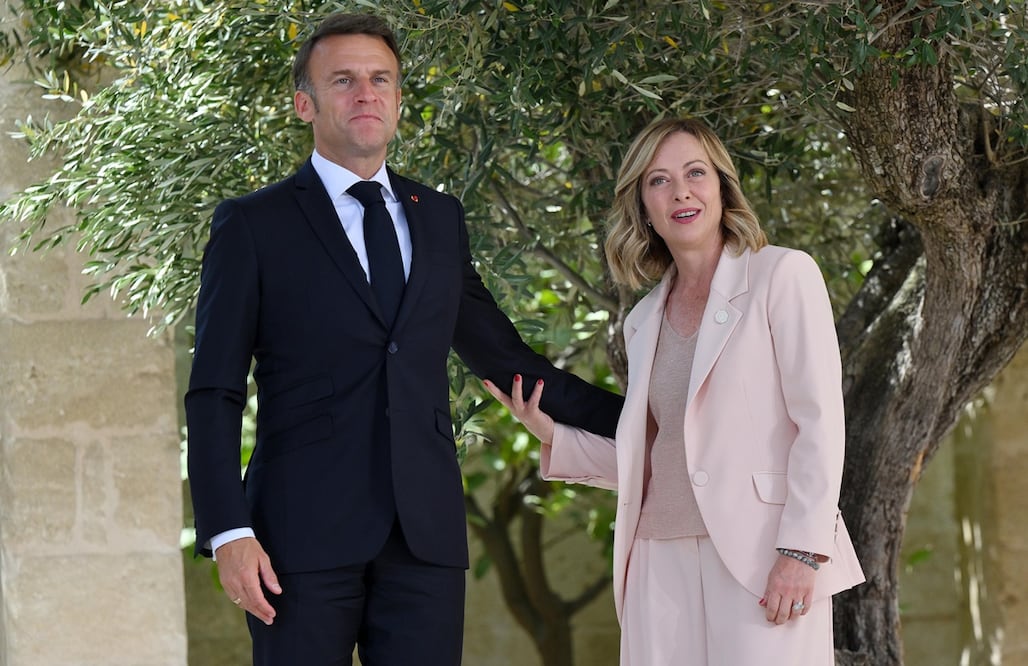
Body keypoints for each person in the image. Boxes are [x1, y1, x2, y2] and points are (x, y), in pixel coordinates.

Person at [184, 12, 623, 665]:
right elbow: (214, 390)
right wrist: (227, 531)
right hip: (295, 542)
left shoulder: (440, 219)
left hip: (424, 540)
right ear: (305, 103)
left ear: (396, 100)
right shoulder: (253, 225)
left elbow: (505, 360)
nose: (366, 93)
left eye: (380, 79)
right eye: (344, 80)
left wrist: (646, 420)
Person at [484, 117, 865, 664]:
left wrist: (803, 551)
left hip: (760, 558)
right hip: (656, 563)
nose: (681, 191)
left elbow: (822, 423)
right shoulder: (642, 321)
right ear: (643, 205)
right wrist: (554, 435)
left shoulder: (782, 275)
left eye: (695, 173)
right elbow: (660, 457)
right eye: (658, 180)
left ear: (722, 186)